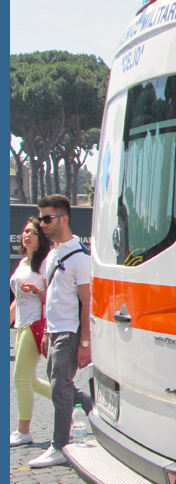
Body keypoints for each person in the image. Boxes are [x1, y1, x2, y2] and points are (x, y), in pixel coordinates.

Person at [20, 195, 93, 468]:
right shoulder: (53, 254)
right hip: (55, 331)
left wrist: (85, 342)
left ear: (64, 218)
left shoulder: (80, 257)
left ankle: (60, 446)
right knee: (61, 386)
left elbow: (87, 303)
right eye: (40, 218)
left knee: (60, 389)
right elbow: (52, 297)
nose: (42, 224)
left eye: (47, 218)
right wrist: (47, 333)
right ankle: (96, 414)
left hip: (70, 331)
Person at [9, 218, 54, 446]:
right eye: (25, 231)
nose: (27, 235)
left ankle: (23, 431)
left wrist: (38, 291)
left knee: (19, 378)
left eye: (33, 233)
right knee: (32, 381)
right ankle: (74, 404)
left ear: (41, 238)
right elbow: (18, 299)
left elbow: (53, 299)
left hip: (36, 325)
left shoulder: (45, 263)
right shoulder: (24, 263)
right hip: (21, 325)